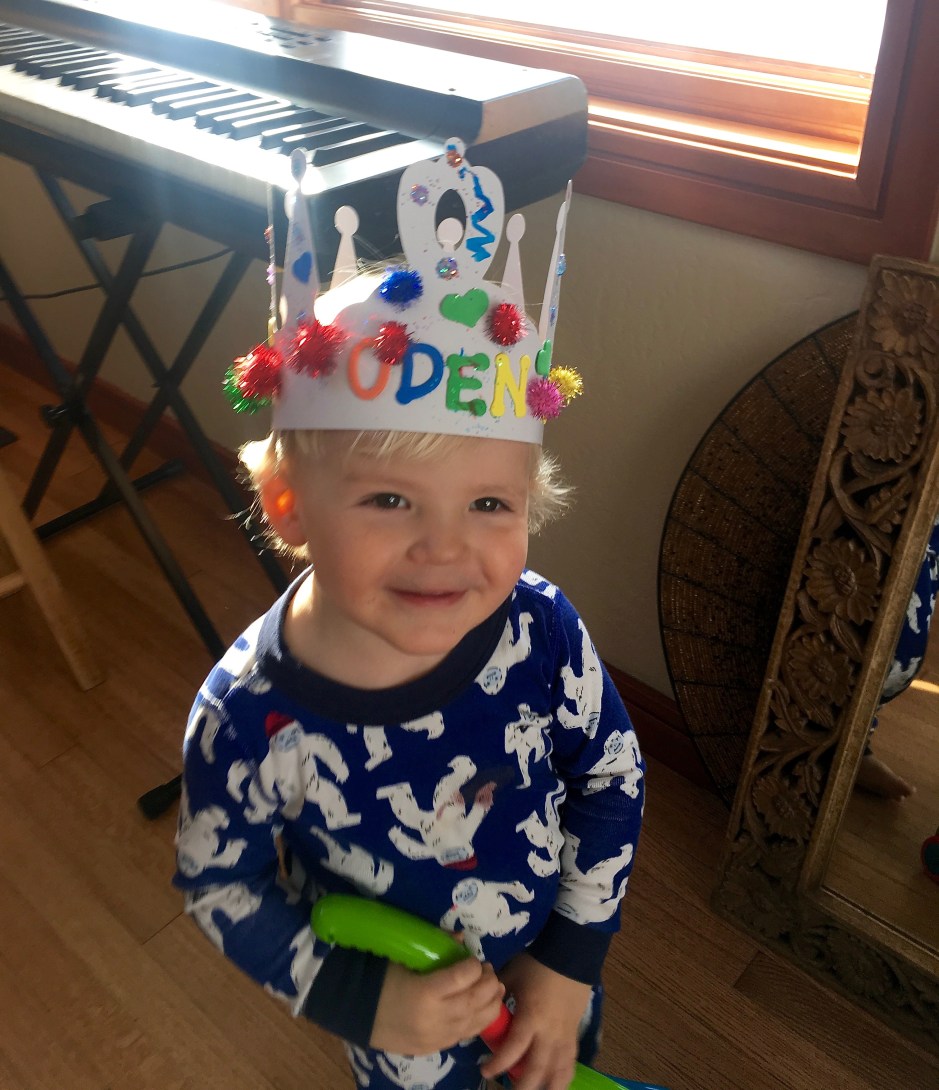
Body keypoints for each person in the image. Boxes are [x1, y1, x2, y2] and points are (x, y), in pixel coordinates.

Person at [174, 140, 645, 1090]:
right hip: (403, 1033)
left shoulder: (542, 631)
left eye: (488, 504)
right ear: (286, 506)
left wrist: (568, 964)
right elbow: (218, 882)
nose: (444, 547)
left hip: (550, 987)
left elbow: (610, 776)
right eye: (389, 500)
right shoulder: (245, 717)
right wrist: (358, 999)